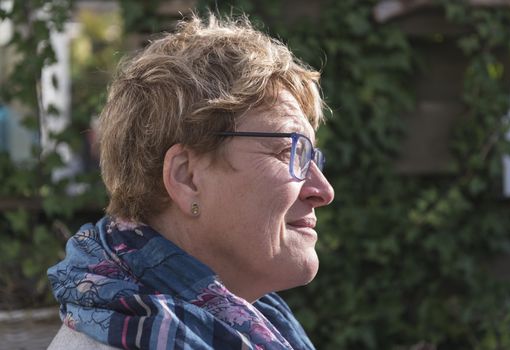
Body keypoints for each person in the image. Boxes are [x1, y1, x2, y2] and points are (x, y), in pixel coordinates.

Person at [47, 12, 334, 350]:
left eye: (312, 157)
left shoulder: (253, 325)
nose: (323, 190)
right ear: (186, 177)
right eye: (288, 153)